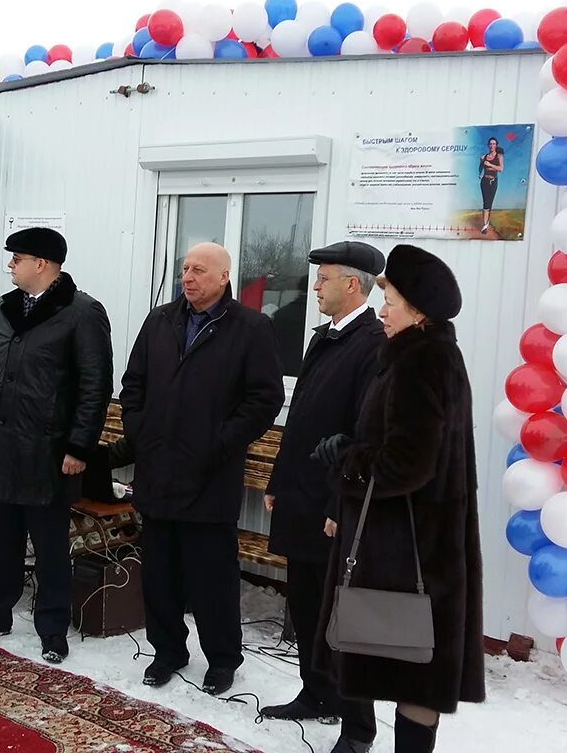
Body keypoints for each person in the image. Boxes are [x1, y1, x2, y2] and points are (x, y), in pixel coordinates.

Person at [314, 245, 484, 753]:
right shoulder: (425, 355)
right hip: (425, 546)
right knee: (415, 678)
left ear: (420, 311)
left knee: (413, 677)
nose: (382, 309)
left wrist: (347, 457)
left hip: (408, 551)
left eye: (391, 300)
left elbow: (406, 465)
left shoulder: (420, 361)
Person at [119, 242, 284, 696]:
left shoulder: (251, 328)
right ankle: (167, 650)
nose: (187, 277)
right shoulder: (160, 321)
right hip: (158, 471)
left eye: (199, 270)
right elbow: (133, 385)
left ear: (224, 277)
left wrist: (220, 441)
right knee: (160, 575)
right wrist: (141, 433)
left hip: (210, 477)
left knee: (212, 579)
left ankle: (224, 659)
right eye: (184, 268)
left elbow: (265, 398)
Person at [0, 227, 113, 665]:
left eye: (16, 258)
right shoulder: (3, 311)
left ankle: (52, 626)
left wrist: (80, 446)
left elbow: (94, 386)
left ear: (41, 263)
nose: (10, 265)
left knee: (50, 547)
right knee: (0, 539)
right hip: (0, 446)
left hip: (48, 451)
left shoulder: (82, 313)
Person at [261, 242, 386, 751]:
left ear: (352, 284)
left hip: (334, 508)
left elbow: (363, 434)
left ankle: (357, 725)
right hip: (301, 496)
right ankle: (317, 694)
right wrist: (277, 479)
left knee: (343, 617)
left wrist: (342, 507)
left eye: (323, 279)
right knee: (307, 605)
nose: (315, 287)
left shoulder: (372, 344)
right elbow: (302, 421)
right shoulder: (324, 338)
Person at [479, 138, 504, 234]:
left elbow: (501, 168)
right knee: (485, 203)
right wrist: (479, 173)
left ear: (496, 145)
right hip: (484, 181)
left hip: (493, 181)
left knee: (490, 202)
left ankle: (487, 222)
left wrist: (490, 164)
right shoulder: (483, 157)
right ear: (488, 145)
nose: (492, 146)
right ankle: (485, 225)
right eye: (490, 144)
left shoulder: (499, 156)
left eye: (493, 144)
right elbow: (481, 166)